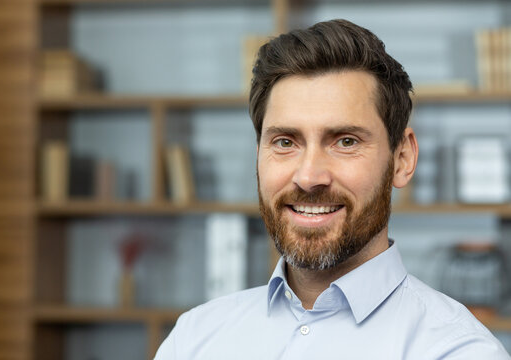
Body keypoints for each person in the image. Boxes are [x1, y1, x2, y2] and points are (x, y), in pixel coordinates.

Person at [154, 19, 511, 359]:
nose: (309, 177)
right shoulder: (192, 341)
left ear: (402, 159)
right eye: (284, 142)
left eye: (345, 141)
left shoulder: (458, 351)